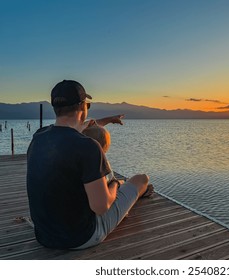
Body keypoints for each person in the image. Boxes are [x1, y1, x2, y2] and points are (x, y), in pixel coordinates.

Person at [27, 79, 151, 249]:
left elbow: (77, 129)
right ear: (82, 107)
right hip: (81, 237)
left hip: (44, 236)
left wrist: (108, 120)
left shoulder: (39, 137)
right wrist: (115, 184)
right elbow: (101, 207)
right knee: (140, 179)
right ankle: (137, 191)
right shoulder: (88, 147)